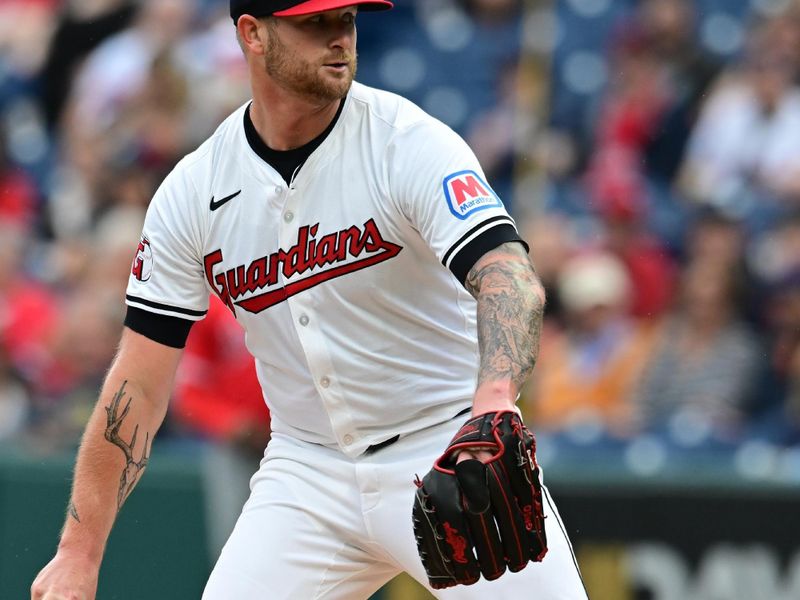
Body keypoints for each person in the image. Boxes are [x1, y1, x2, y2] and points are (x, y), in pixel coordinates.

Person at [31, 1, 587, 598]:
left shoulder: (406, 143)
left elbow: (508, 273)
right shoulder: (194, 192)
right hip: (306, 471)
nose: (338, 37)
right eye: (313, 22)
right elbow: (137, 385)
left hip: (448, 443)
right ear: (253, 34)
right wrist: (77, 555)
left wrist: (496, 402)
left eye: (344, 19)